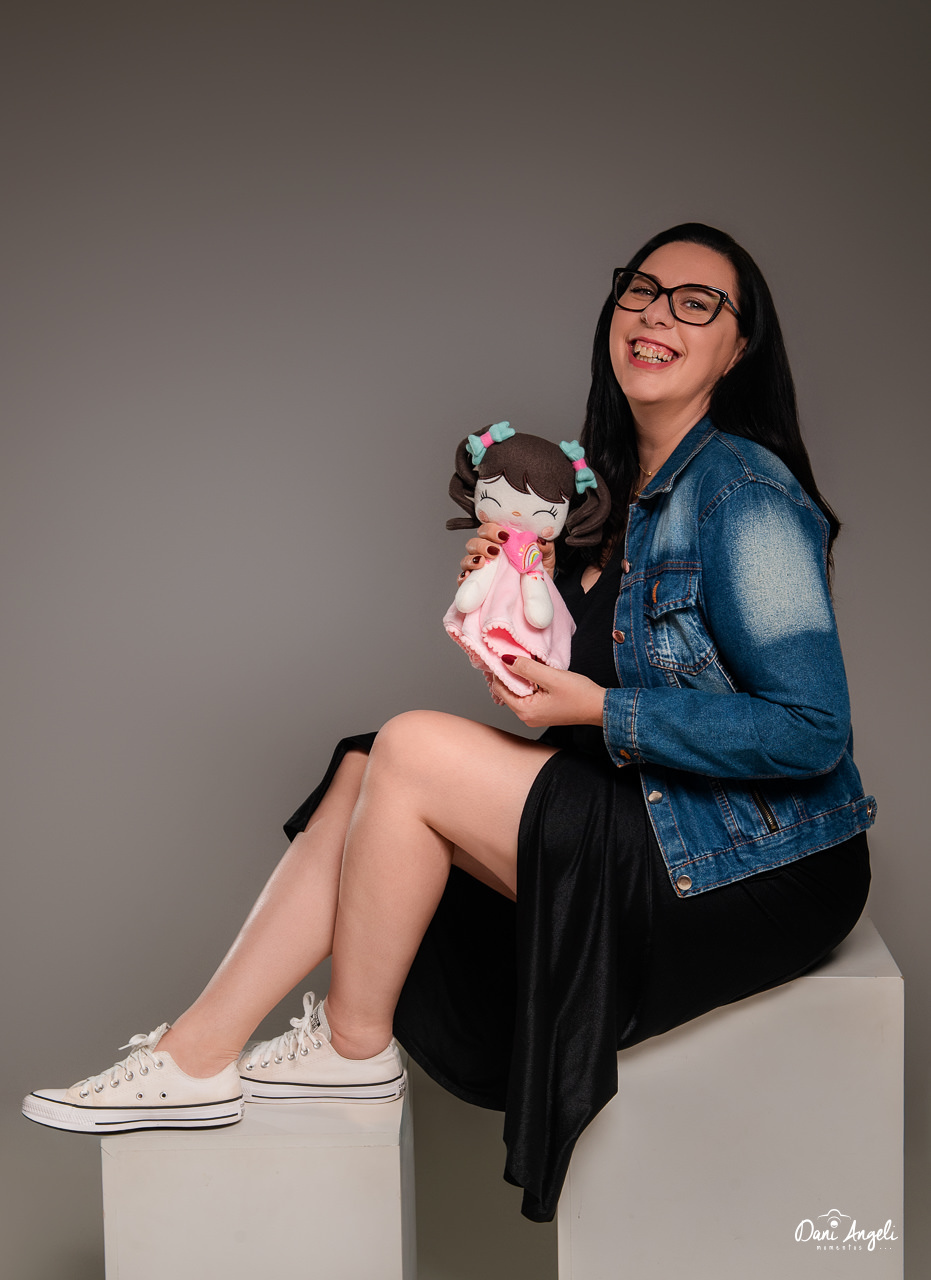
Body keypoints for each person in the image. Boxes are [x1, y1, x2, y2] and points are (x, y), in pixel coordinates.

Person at [22, 222, 875, 1224]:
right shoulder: (608, 498)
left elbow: (810, 729)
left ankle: (350, 1051)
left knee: (412, 747)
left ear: (738, 348)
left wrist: (601, 709)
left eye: (696, 303)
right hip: (660, 814)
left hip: (763, 859)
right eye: (641, 290)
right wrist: (506, 607)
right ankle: (195, 1055)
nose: (655, 315)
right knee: (367, 766)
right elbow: (577, 677)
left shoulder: (742, 491)